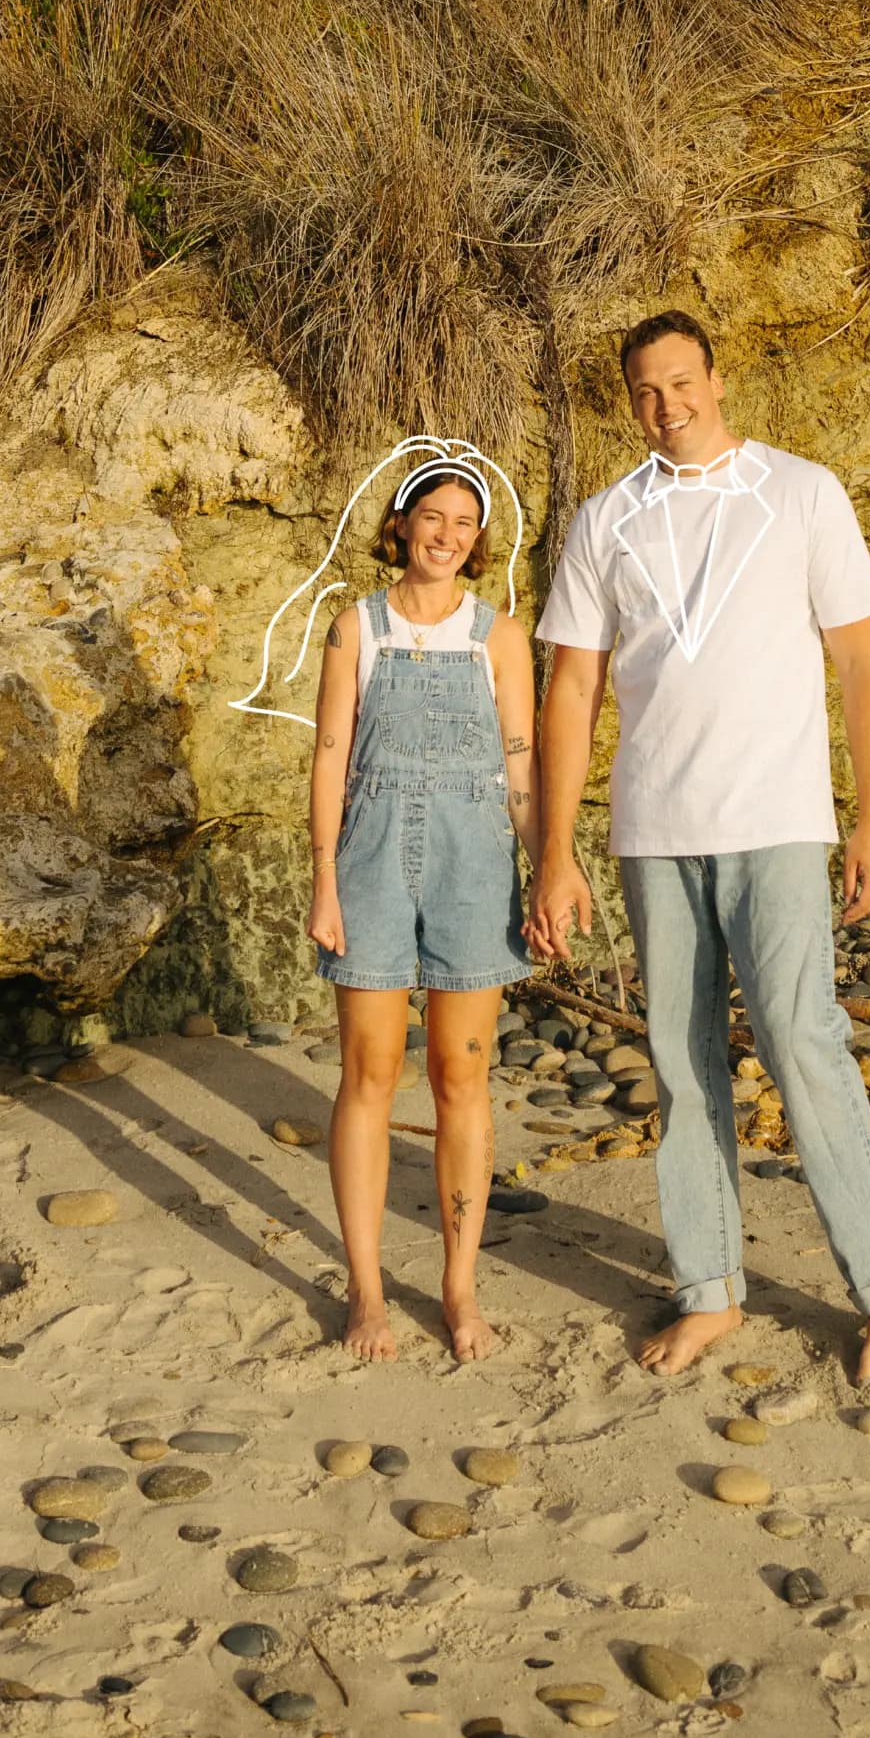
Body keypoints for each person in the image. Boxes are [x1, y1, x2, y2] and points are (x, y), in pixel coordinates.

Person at [529, 312, 870, 1381]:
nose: (669, 405)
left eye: (683, 382)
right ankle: (710, 1290)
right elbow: (571, 685)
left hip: (780, 821)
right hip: (655, 832)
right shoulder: (605, 518)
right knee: (682, 1065)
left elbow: (864, 666)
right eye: (647, 391)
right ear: (631, 399)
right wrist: (553, 851)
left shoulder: (802, 491)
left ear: (716, 376)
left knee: (803, 1043)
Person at [307, 458, 536, 1361]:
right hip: (368, 855)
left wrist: (549, 866)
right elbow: (329, 757)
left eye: (465, 523)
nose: (447, 534)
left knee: (459, 1077)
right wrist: (324, 880)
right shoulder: (351, 627)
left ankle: (457, 1286)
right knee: (368, 1071)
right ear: (400, 525)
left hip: (475, 861)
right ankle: (366, 1291)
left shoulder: (500, 636)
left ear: (479, 542)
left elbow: (521, 765)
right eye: (431, 517)